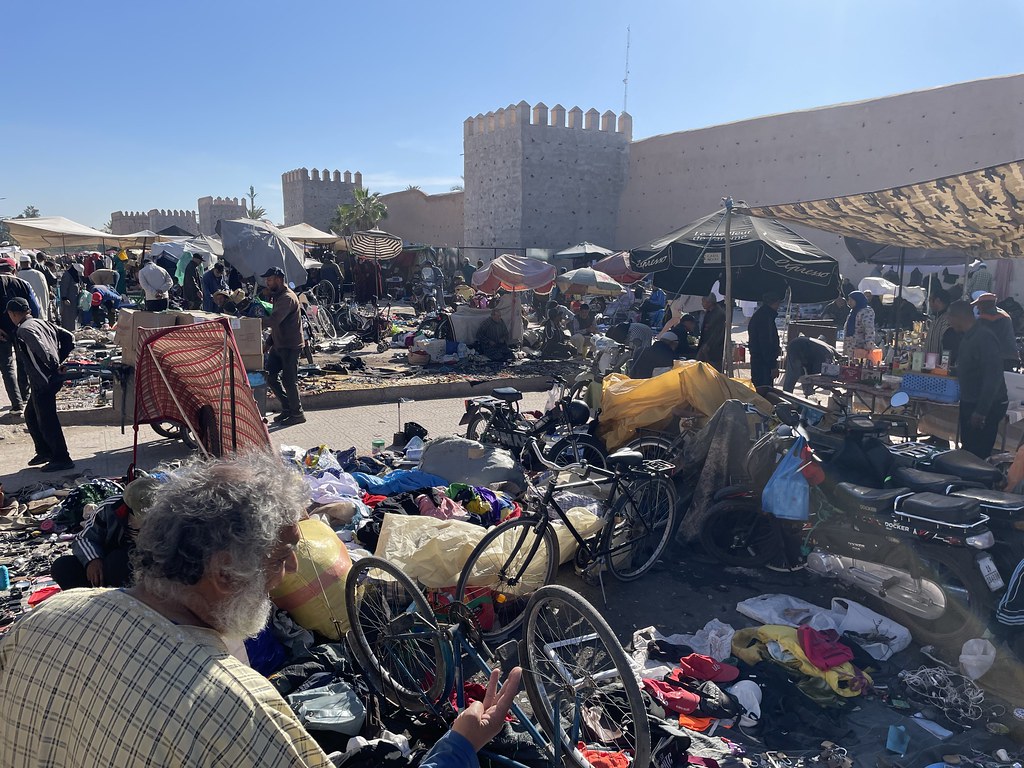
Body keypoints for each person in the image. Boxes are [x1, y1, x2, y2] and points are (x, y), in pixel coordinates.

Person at [0, 451, 524, 767]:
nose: (291, 566)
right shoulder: (236, 707)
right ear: (226, 572)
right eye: (280, 553)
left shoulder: (46, 618)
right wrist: (459, 744)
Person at [50, 475, 162, 590]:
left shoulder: (170, 515)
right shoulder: (109, 508)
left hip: (142, 573)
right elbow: (83, 538)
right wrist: (93, 559)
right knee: (63, 567)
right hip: (105, 567)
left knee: (118, 560)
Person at [7, 297, 74, 472]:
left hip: (43, 380)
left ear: (13, 314)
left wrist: (54, 365)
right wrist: (61, 359)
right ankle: (44, 451)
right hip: (49, 377)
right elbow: (70, 338)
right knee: (31, 414)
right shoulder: (42, 323)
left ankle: (61, 457)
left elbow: (41, 351)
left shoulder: (24, 330)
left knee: (47, 420)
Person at [948, 300, 1008, 459]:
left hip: (985, 405)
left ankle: (978, 482)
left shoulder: (984, 337)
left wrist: (981, 411)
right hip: (970, 401)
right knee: (968, 449)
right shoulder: (967, 336)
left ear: (958, 317)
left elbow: (992, 377)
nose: (949, 323)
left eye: (950, 318)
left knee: (978, 454)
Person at [262, 266, 305, 425]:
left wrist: (253, 323)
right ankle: (287, 408)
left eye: (270, 279)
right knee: (271, 377)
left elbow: (274, 320)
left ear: (279, 280)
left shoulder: (287, 298)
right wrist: (268, 343)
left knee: (289, 380)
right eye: (267, 280)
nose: (267, 283)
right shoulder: (278, 296)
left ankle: (297, 414)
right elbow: (277, 326)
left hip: (290, 346)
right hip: (279, 344)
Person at [0, 259, 41, 418]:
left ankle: (17, 404)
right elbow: (34, 307)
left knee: (7, 366)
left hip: (2, 333)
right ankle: (25, 395)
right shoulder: (23, 283)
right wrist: (31, 326)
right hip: (22, 328)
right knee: (24, 361)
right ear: (14, 269)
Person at [974, 293, 1020, 371]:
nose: (977, 307)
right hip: (1008, 356)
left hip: (998, 358)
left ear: (985, 305)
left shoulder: (990, 317)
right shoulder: (1002, 313)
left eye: (979, 305)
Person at [747, 293, 782, 389]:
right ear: (775, 303)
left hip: (757, 361)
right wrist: (773, 366)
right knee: (765, 391)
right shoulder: (766, 318)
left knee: (759, 389)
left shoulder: (760, 315)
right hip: (763, 364)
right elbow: (767, 344)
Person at [695, 294, 726, 371]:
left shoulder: (719, 314)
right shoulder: (709, 312)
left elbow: (717, 332)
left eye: (703, 302)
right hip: (706, 343)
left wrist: (708, 344)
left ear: (709, 302)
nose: (702, 304)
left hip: (714, 347)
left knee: (713, 368)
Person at [18, 256, 51, 320]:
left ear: (20, 263)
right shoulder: (39, 274)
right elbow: (45, 291)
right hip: (40, 309)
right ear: (30, 262)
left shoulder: (18, 275)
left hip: (25, 313)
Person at [925, 289, 955, 359]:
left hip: (940, 367)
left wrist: (944, 365)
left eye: (930, 300)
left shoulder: (948, 320)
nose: (929, 303)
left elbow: (949, 347)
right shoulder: (936, 318)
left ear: (937, 300)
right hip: (930, 365)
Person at [844, 291, 875, 357]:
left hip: (860, 346)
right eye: (848, 300)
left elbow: (869, 328)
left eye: (851, 300)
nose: (849, 302)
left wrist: (868, 345)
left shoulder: (866, 311)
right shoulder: (853, 311)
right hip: (850, 346)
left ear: (857, 300)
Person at [58, 261, 85, 331]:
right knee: (68, 317)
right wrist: (64, 298)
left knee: (74, 317)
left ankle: (73, 330)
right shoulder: (67, 275)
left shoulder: (75, 276)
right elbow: (63, 287)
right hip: (68, 300)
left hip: (75, 300)